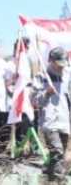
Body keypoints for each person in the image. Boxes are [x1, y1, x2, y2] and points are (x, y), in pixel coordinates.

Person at [32, 47, 71, 183]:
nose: (61, 67)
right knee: (58, 152)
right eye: (58, 64)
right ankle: (58, 181)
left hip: (64, 120)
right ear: (50, 60)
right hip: (49, 121)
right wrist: (46, 93)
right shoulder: (41, 77)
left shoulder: (67, 75)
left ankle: (46, 177)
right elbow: (34, 101)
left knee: (59, 157)